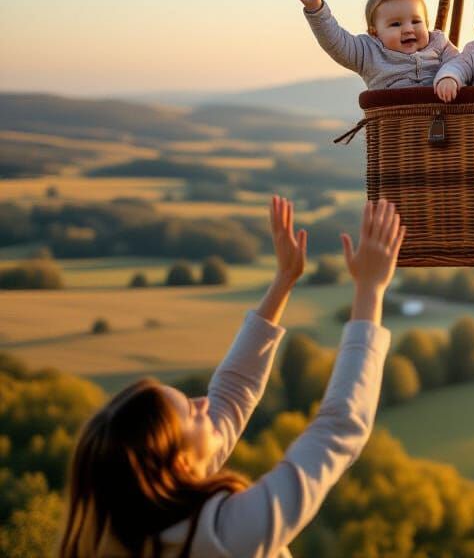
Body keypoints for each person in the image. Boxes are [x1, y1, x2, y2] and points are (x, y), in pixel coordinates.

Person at [59, 195, 404, 558]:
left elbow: (232, 391)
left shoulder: (136, 530)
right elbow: (338, 429)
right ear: (176, 463)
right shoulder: (223, 538)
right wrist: (370, 289)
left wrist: (284, 280)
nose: (203, 403)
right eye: (191, 413)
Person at [290, 0, 458, 89]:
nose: (408, 29)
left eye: (416, 21)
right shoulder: (369, 52)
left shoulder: (440, 44)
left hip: (443, 121)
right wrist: (316, 9)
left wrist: (449, 78)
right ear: (374, 32)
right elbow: (336, 42)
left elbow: (462, 66)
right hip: (395, 127)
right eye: (395, 24)